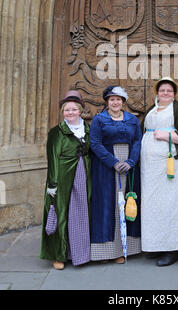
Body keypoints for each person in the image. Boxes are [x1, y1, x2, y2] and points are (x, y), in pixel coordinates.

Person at [140, 77, 178, 266]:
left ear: (174, 93)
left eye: (169, 91)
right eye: (162, 90)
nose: (165, 93)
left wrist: (166, 135)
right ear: (157, 92)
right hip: (151, 167)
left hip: (174, 166)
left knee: (171, 204)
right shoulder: (151, 109)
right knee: (153, 205)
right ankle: (156, 244)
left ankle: (172, 249)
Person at [89, 85, 142, 263]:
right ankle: (106, 251)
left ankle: (126, 249)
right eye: (112, 99)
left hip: (128, 164)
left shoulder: (132, 120)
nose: (115, 102)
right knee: (107, 204)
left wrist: (130, 161)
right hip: (106, 166)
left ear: (123, 102)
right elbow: (95, 144)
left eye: (118, 99)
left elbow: (137, 142)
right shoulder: (99, 120)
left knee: (128, 202)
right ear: (107, 102)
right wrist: (113, 162)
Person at [40, 90, 91, 270]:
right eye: (66, 110)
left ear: (80, 111)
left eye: (73, 110)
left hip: (83, 174)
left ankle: (79, 253)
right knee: (61, 213)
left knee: (80, 213)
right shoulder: (57, 132)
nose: (70, 113)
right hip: (61, 177)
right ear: (63, 113)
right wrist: (52, 184)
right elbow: (53, 158)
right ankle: (58, 255)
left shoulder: (88, 129)